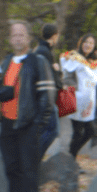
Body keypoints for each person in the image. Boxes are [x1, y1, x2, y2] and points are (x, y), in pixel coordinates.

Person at [0, 21, 56, 192]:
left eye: (21, 35)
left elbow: (48, 96)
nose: (17, 38)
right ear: (10, 39)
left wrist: (37, 125)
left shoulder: (38, 61)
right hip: (7, 124)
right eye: (14, 35)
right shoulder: (6, 62)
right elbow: (0, 94)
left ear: (29, 38)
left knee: (29, 170)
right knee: (11, 168)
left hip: (28, 125)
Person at [60, 33, 97, 160]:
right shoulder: (73, 56)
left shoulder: (94, 61)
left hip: (88, 101)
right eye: (86, 42)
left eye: (91, 43)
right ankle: (70, 160)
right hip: (75, 97)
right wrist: (73, 90)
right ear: (81, 43)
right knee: (78, 132)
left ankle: (70, 157)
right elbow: (66, 76)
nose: (88, 45)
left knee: (89, 132)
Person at [35, 23, 62, 156]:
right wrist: (57, 71)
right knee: (53, 131)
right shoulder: (44, 52)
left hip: (44, 98)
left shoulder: (40, 49)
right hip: (46, 99)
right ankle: (34, 157)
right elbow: (50, 77)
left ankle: (34, 157)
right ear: (54, 36)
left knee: (45, 131)